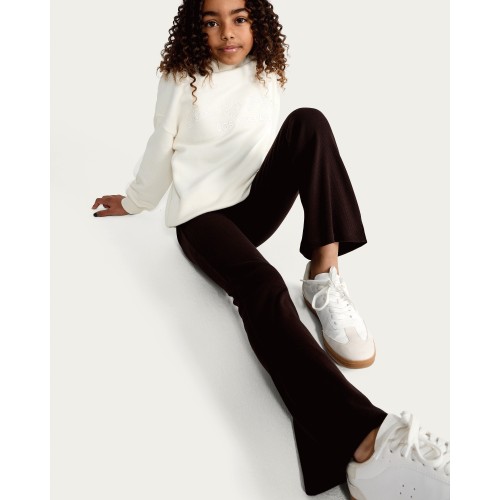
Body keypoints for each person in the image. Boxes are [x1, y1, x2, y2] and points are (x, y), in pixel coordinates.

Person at [92, 0, 450, 498]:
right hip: (202, 219)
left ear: (257, 22)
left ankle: (323, 275)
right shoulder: (181, 78)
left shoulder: (268, 67)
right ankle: (363, 442)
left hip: (252, 206)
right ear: (196, 29)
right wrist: (134, 201)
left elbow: (261, 145)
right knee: (262, 286)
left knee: (309, 121)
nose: (227, 33)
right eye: (212, 22)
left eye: (239, 19)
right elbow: (161, 145)